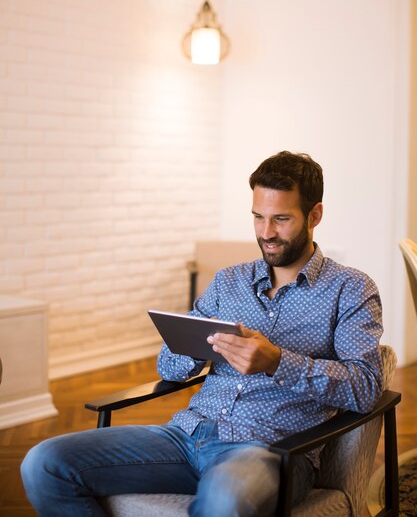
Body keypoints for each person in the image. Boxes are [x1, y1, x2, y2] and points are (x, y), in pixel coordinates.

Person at [21, 151, 383, 517]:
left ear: (315, 215)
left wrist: (276, 362)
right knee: (44, 463)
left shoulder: (349, 289)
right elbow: (169, 367)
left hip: (267, 450)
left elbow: (367, 386)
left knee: (224, 500)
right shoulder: (229, 282)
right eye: (258, 217)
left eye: (281, 219)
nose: (266, 233)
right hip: (185, 436)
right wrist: (194, 345)